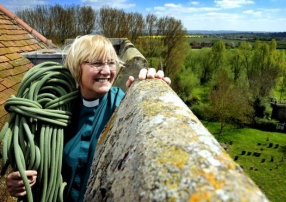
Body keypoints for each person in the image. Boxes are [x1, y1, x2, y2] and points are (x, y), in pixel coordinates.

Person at [5, 34, 171, 201]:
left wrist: (149, 84)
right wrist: (19, 181)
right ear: (78, 67)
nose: (106, 71)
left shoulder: (121, 103)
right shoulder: (55, 110)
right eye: (97, 63)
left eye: (111, 63)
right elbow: (38, 164)